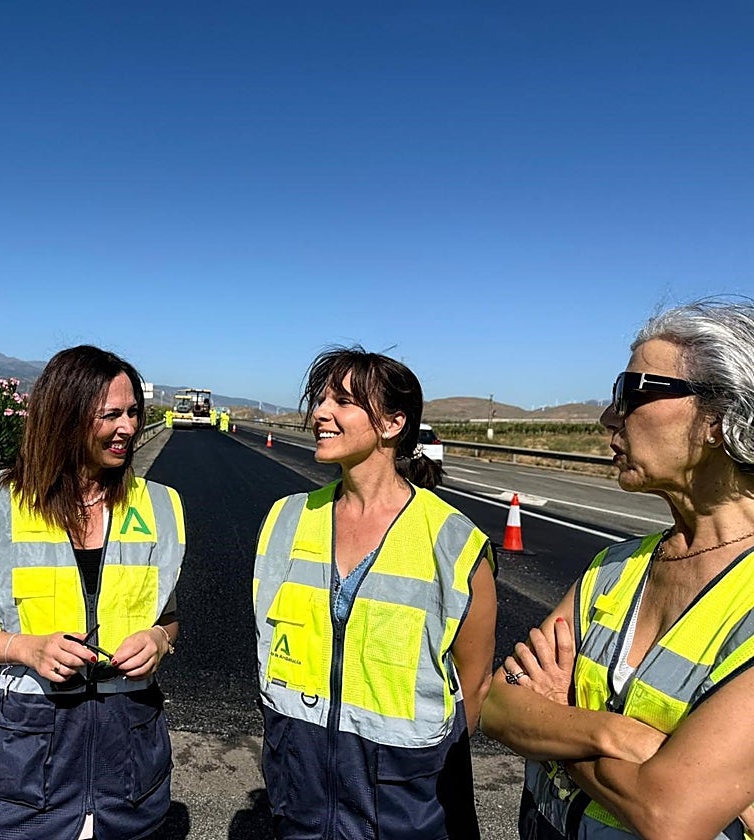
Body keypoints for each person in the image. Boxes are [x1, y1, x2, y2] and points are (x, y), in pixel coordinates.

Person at [481, 298, 754, 840]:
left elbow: (670, 814)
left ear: (719, 420)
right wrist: (618, 735)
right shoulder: (615, 565)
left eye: (631, 394)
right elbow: (496, 703)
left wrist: (558, 717)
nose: (609, 416)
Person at [0, 345, 184, 840]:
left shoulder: (159, 506)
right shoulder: (0, 504)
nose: (129, 428)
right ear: (66, 417)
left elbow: (167, 615)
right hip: (25, 762)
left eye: (133, 412)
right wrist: (25, 648)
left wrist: (160, 641)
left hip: (127, 752)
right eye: (110, 414)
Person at [253, 346, 497, 839]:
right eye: (321, 399)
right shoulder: (285, 520)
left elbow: (473, 688)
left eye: (342, 402)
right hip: (298, 798)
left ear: (392, 424)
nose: (321, 413)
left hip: (404, 807)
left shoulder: (452, 541)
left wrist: (414, 772)